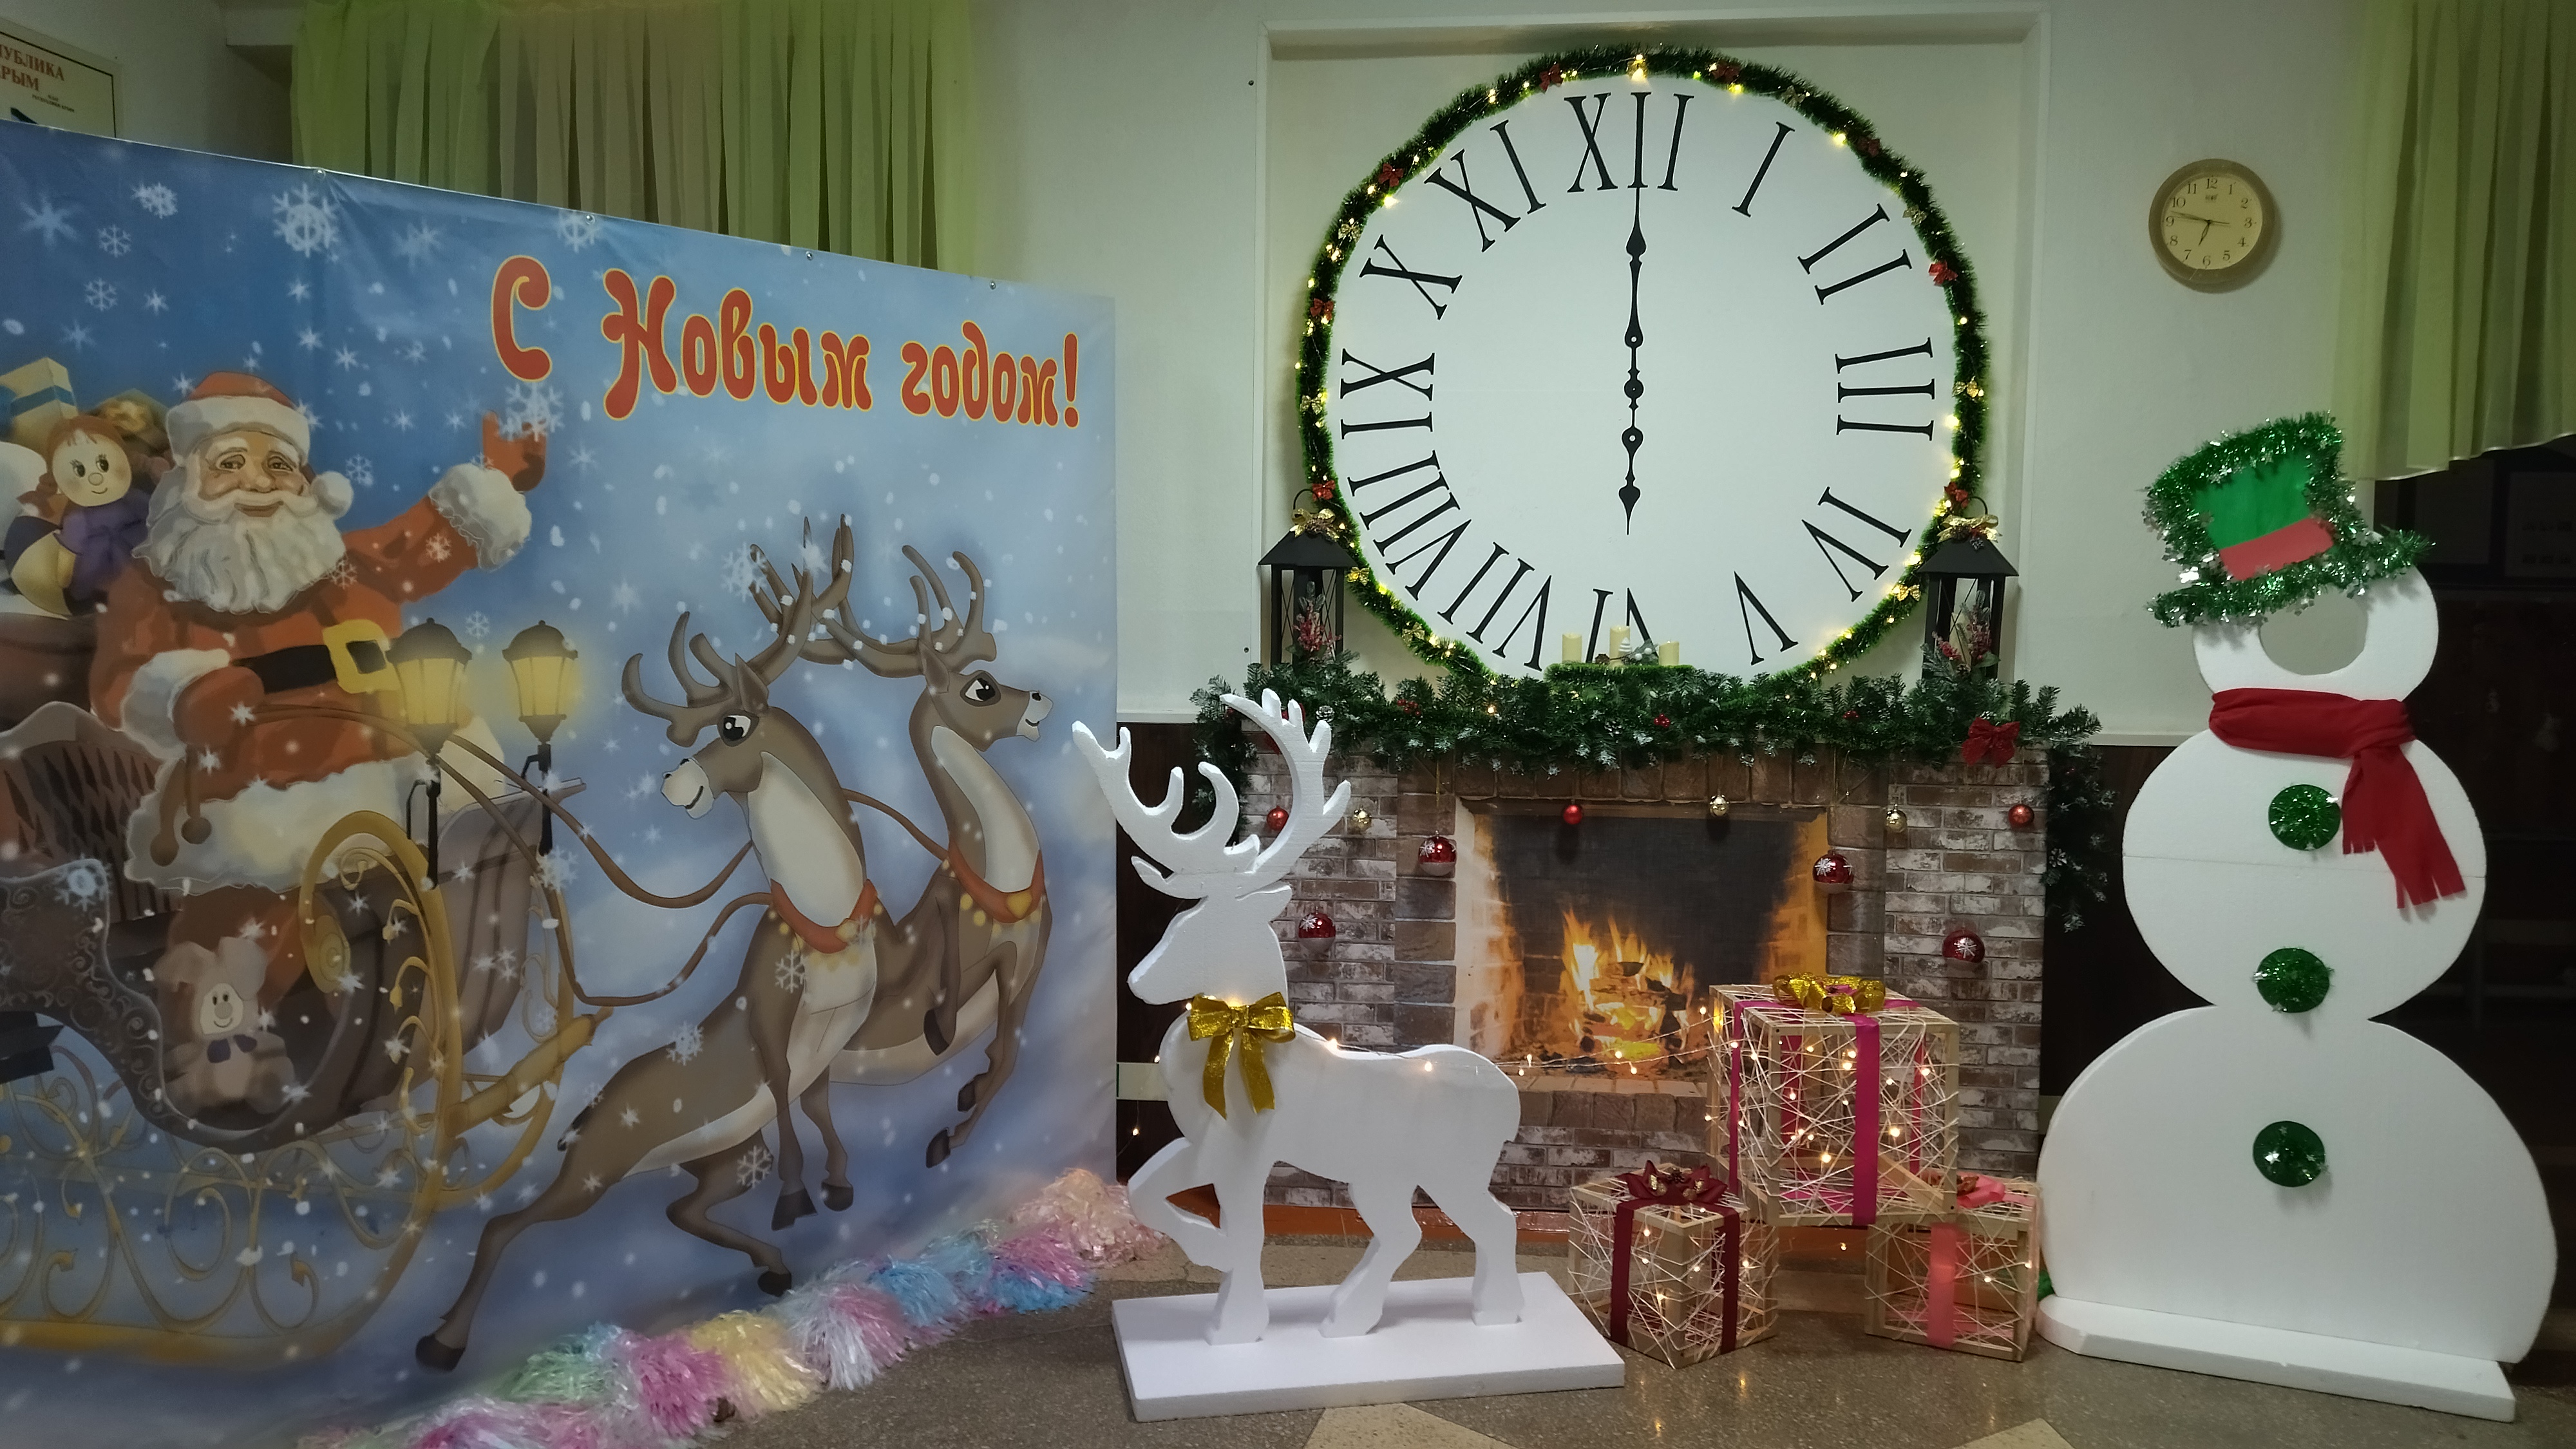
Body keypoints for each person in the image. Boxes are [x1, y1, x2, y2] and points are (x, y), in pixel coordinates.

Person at [91, 372, 544, 1008]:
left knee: (440, 908)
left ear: (306, 483)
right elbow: (122, 682)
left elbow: (423, 545)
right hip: (250, 798)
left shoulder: (342, 565)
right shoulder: (156, 588)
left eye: (278, 464)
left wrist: (500, 482)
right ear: (186, 478)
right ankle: (227, 1037)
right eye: (230, 462)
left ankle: (429, 1009)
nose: (257, 481)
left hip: (398, 768)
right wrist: (186, 695)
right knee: (245, 944)